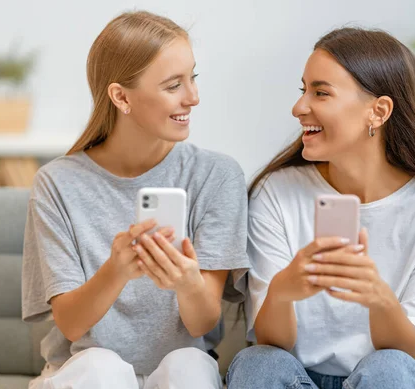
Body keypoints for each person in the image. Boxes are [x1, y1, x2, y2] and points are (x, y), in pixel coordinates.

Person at [227, 27, 415, 389]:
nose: (299, 108)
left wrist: (378, 297)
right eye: (304, 90)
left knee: (387, 369)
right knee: (258, 364)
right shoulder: (276, 192)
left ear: (378, 112)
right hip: (301, 377)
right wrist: (283, 290)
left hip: (400, 375)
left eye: (321, 92)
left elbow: (407, 352)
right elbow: (273, 344)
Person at [21, 10, 250, 389]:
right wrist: (117, 270)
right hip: (84, 371)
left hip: (183, 370)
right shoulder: (57, 184)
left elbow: (202, 323)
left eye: (192, 78)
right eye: (173, 85)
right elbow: (72, 324)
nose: (193, 97)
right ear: (121, 97)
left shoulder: (217, 175)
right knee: (101, 369)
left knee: (188, 367)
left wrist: (188, 283)